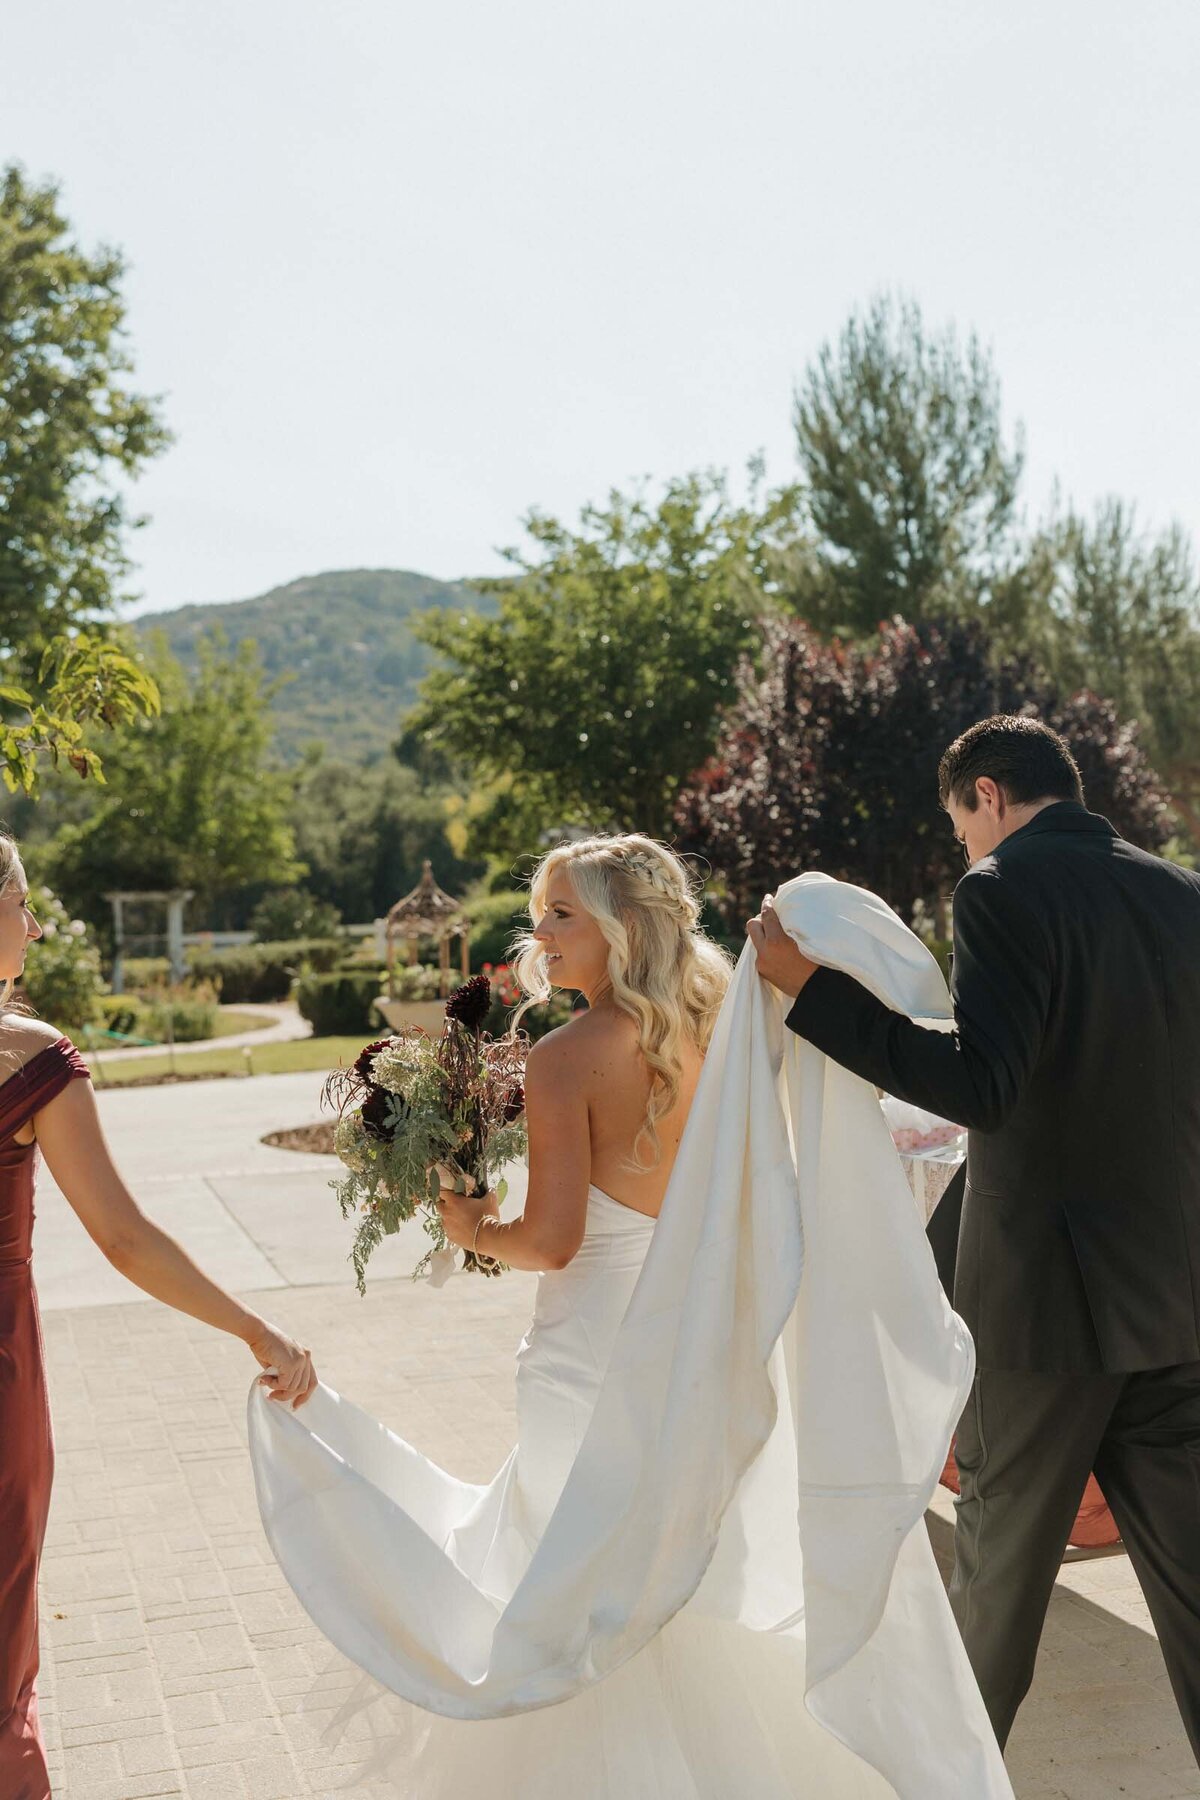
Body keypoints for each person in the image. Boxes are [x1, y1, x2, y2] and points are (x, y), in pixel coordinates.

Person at [250, 834, 1012, 1798]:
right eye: (540, 914)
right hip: (704, 1338)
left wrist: (470, 1222)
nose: (540, 934)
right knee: (689, 1571)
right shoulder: (730, 1023)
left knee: (588, 1585)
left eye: (562, 914)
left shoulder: (568, 1058)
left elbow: (555, 1239)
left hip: (590, 1353)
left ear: (622, 927)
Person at [748, 714, 1200, 1759]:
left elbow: (984, 1085)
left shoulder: (1000, 892)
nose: (965, 848)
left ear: (986, 794)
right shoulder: (1181, 893)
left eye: (961, 825)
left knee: (996, 1594)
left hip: (1048, 1317)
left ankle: (947, 1783)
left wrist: (809, 992)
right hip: (1177, 1297)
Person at [0, 833, 317, 1800]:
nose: (37, 922)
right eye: (22, 903)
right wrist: (258, 1331)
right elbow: (125, 1238)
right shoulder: (27, 1056)